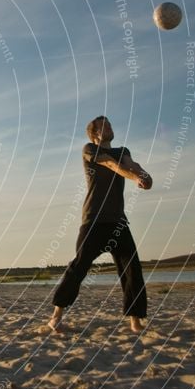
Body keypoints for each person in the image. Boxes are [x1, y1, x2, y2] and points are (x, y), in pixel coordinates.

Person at [48, 116, 152, 334]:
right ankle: (56, 316)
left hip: (117, 222)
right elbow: (111, 165)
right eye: (104, 126)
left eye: (111, 124)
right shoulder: (89, 149)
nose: (110, 128)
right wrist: (133, 178)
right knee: (79, 266)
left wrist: (142, 175)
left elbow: (130, 164)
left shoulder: (122, 150)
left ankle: (135, 320)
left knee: (132, 268)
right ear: (94, 134)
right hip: (94, 219)